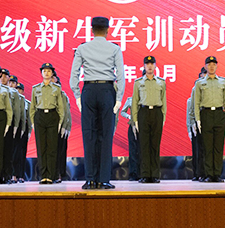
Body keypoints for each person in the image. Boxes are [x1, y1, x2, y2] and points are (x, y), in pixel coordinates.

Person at [70, 16, 126, 190]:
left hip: (88, 90)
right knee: (106, 136)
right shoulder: (114, 48)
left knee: (89, 135)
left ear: (92, 30)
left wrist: (78, 96)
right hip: (107, 90)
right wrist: (118, 99)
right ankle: (103, 179)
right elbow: (121, 76)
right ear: (107, 30)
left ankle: (90, 179)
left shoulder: (82, 48)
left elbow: (74, 75)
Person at [193, 55, 225, 183]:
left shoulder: (223, 82)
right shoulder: (200, 83)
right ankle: (209, 174)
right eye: (209, 64)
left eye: (214, 64)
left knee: (218, 146)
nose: (212, 66)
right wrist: (198, 119)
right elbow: (196, 103)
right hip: (206, 114)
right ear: (205, 66)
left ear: (217, 66)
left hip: (219, 114)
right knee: (207, 147)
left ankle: (217, 174)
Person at [133, 55, 167, 183]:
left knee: (155, 144)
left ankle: (155, 174)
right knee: (144, 145)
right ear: (144, 66)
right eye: (147, 64)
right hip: (143, 112)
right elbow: (135, 102)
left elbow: (164, 100)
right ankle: (145, 174)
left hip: (157, 112)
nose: (150, 66)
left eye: (152, 64)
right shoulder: (138, 82)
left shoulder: (161, 82)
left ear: (155, 66)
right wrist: (135, 119)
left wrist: (163, 117)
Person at [29, 63, 65, 184]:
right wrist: (33, 121)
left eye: (49, 71)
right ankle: (43, 175)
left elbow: (60, 107)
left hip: (52, 116)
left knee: (52, 147)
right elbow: (32, 107)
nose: (47, 73)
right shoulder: (36, 88)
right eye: (44, 71)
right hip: (40, 116)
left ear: (52, 73)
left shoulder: (57, 88)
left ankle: (51, 175)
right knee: (41, 147)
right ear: (41, 73)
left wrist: (60, 122)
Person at [53, 75, 71, 183]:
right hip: (50, 125)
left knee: (60, 150)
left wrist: (66, 127)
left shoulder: (63, 95)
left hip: (61, 127)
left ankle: (59, 173)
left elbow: (67, 113)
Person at [120, 94, 141, 181]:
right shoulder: (130, 100)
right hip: (132, 126)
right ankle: (133, 173)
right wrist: (129, 116)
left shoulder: (144, 99)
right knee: (133, 150)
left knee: (142, 150)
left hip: (143, 126)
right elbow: (122, 112)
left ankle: (142, 173)